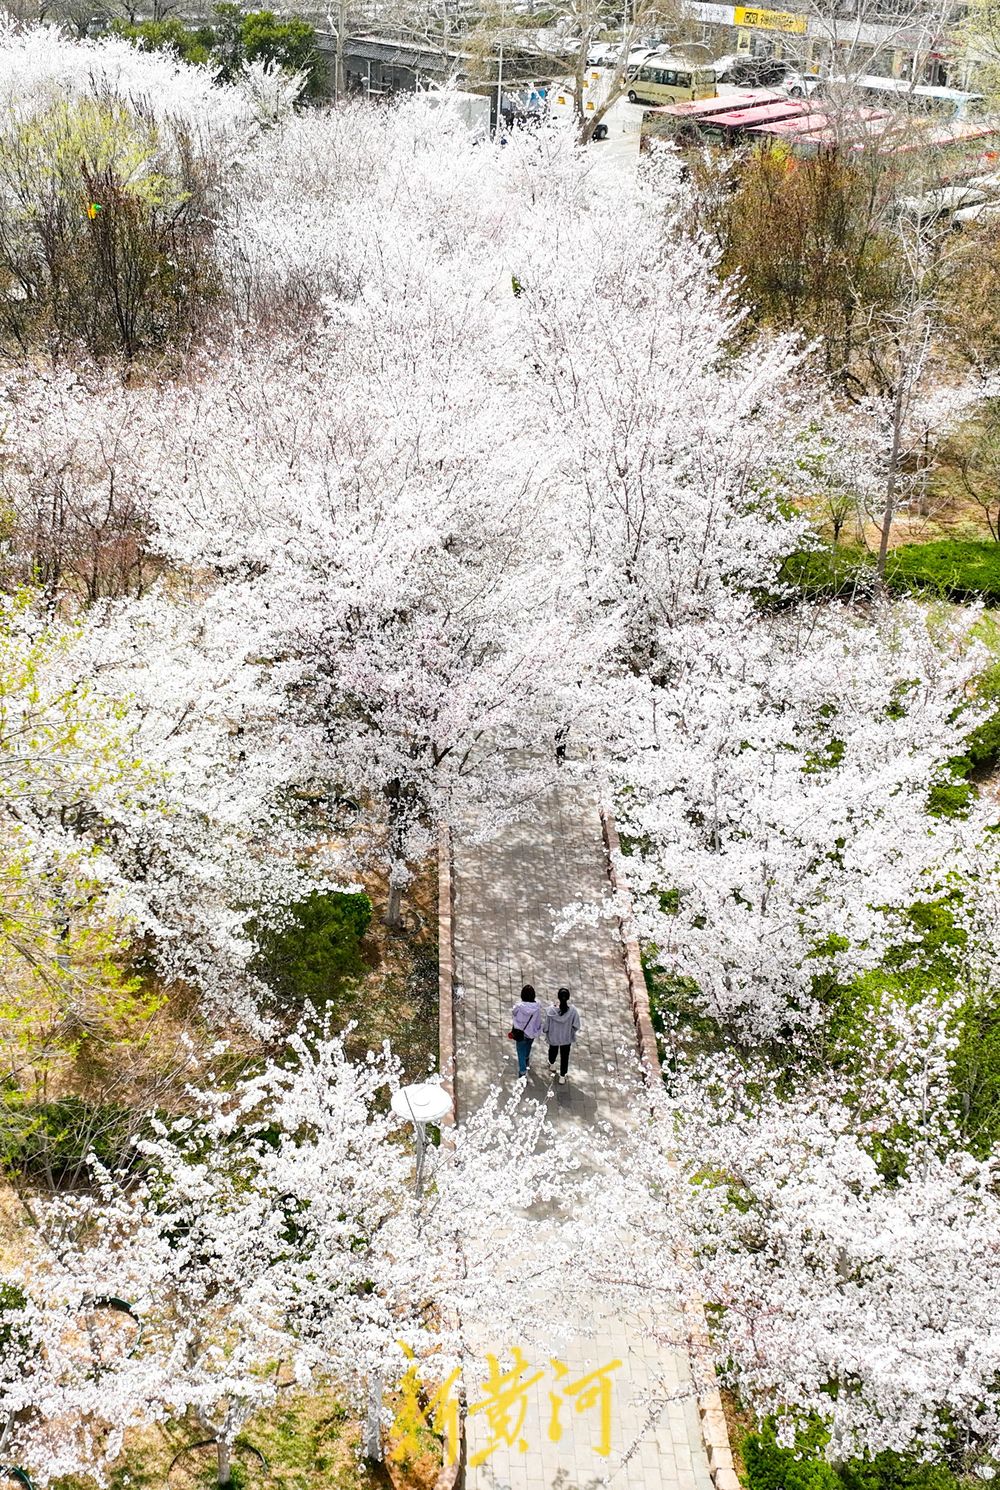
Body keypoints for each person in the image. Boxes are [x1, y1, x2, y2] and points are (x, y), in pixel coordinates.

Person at [543, 987, 581, 1084]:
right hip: (566, 1038)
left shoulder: (551, 1011)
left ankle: (552, 1064)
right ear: (568, 998)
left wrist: (546, 1031)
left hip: (553, 1037)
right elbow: (576, 1025)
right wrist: (570, 1031)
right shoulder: (573, 1011)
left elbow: (546, 1026)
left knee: (552, 1051)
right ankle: (562, 1076)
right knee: (565, 1057)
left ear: (558, 997)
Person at [510, 984, 542, 1078]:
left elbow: (513, 1012)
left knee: (520, 1052)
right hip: (531, 1033)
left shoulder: (519, 1006)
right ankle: (527, 1058)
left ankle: (522, 1071)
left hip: (520, 1033)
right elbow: (538, 1021)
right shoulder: (537, 1008)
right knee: (528, 1046)